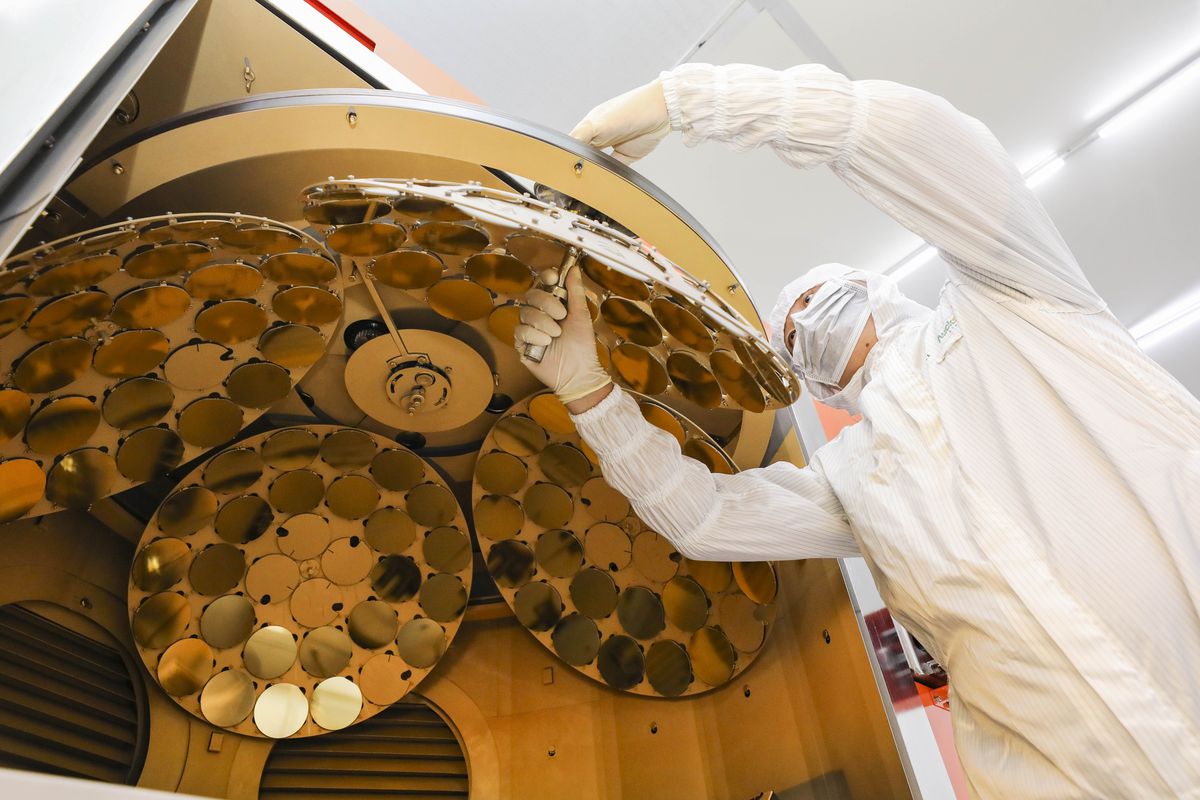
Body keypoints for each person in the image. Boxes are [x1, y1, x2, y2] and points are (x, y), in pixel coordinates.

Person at [512, 63, 1200, 798]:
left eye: (816, 296)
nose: (802, 319)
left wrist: (691, 100)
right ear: (812, 385)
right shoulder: (852, 480)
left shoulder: (1018, 308)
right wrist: (589, 392)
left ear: (878, 288)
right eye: (788, 332)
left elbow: (927, 141)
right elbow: (706, 519)